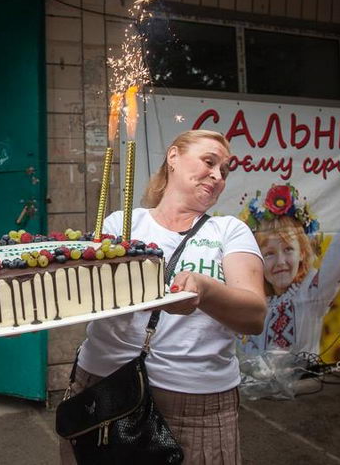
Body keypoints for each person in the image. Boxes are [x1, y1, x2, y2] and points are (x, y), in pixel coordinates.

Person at [60, 130, 266, 465]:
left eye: (224, 171)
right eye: (209, 162)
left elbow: (254, 316)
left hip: (194, 404)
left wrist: (205, 290)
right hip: (104, 387)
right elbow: (89, 295)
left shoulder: (228, 231)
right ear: (173, 157)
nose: (217, 176)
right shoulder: (122, 224)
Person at [239, 183, 340, 356]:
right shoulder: (258, 302)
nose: (280, 262)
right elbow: (247, 347)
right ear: (257, 260)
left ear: (302, 253)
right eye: (269, 254)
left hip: (306, 373)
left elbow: (337, 259)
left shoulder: (311, 291)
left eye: (288, 249)